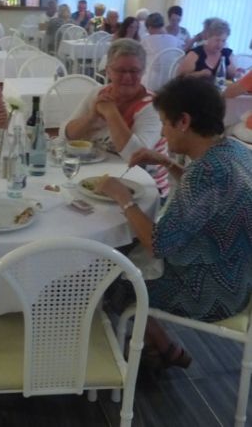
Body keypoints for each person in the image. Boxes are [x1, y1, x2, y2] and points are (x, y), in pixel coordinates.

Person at [96, 76, 252, 367]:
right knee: (124, 256)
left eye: (165, 123)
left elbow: (158, 244)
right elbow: (208, 201)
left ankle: (162, 347)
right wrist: (167, 162)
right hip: (238, 277)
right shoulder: (232, 150)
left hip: (210, 292)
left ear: (183, 121)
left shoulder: (207, 172)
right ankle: (160, 347)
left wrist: (122, 197)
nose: (162, 133)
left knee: (106, 277)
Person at [63, 38, 169, 198]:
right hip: (98, 177)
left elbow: (135, 156)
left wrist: (111, 113)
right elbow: (66, 135)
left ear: (143, 71)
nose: (127, 77)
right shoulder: (98, 94)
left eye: (134, 71)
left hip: (145, 188)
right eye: (120, 70)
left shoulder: (153, 106)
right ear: (108, 71)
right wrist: (91, 117)